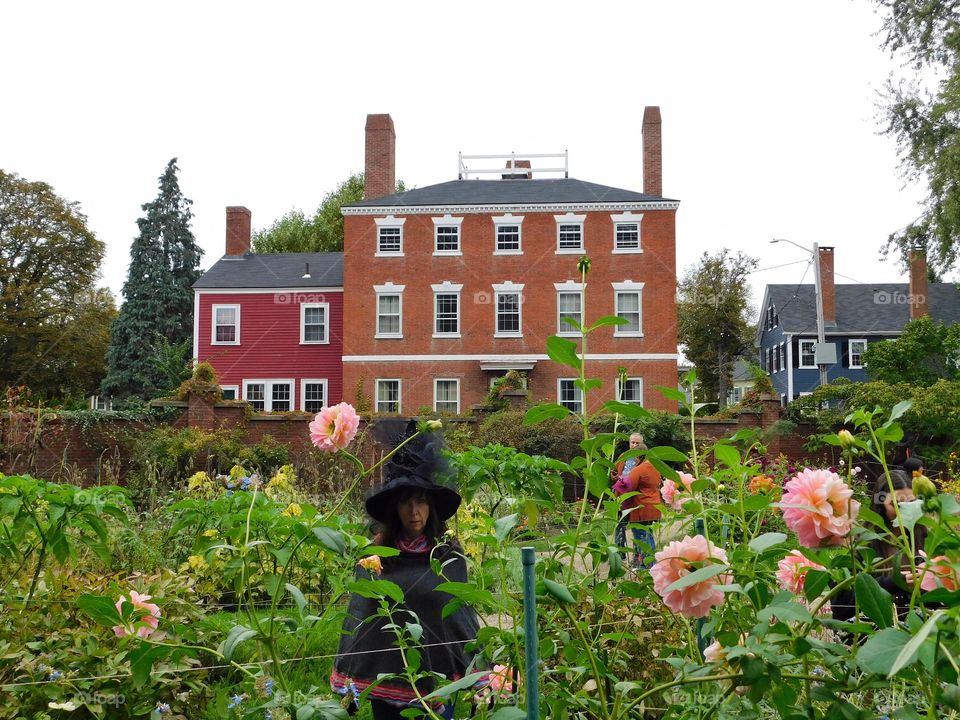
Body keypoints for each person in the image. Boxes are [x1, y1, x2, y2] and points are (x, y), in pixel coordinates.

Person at [330, 427, 481, 720]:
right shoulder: (376, 558)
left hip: (438, 685)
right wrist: (349, 677)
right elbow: (359, 617)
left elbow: (462, 619)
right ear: (394, 508)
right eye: (405, 502)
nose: (414, 512)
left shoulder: (448, 556)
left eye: (421, 501)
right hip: (384, 683)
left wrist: (477, 671)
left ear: (432, 507)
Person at [612, 433, 662, 568]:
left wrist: (618, 485)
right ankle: (649, 563)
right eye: (632, 443)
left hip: (640, 506)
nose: (634, 446)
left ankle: (645, 566)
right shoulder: (655, 466)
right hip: (652, 505)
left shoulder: (639, 469)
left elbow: (629, 487)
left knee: (641, 536)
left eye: (637, 444)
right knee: (646, 534)